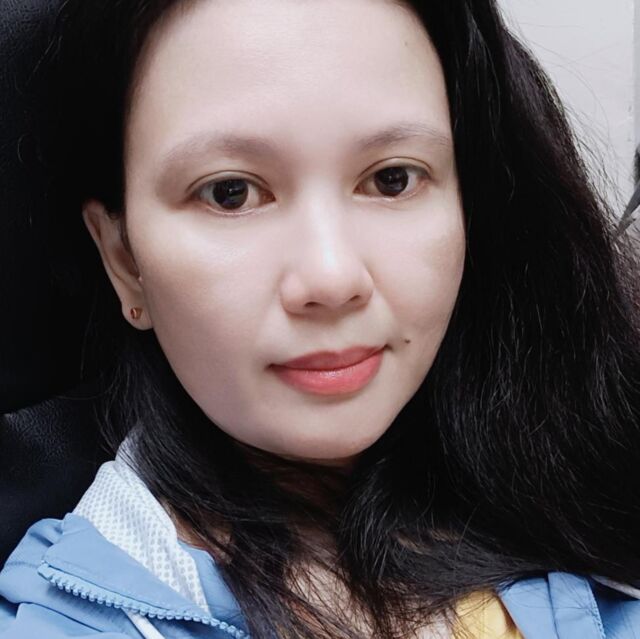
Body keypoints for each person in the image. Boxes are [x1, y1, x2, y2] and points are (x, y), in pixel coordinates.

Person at [1, 0, 640, 637]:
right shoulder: (62, 621)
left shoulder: (596, 500)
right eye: (230, 193)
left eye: (392, 179)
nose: (332, 280)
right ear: (123, 259)